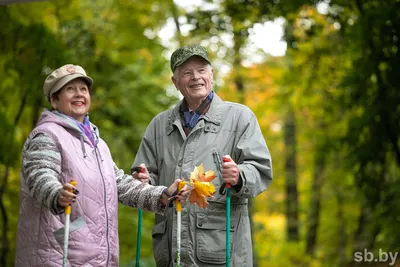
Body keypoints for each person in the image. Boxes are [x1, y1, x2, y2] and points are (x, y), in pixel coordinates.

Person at [14, 64, 190, 267]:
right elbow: (39, 174)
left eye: (83, 89)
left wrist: (163, 195)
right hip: (57, 257)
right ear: (54, 100)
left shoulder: (97, 143)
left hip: (98, 259)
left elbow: (120, 184)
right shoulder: (47, 135)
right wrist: (56, 194)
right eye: (70, 89)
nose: (79, 94)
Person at [132, 45, 273, 267]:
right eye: (186, 73)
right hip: (171, 252)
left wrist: (239, 175)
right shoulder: (159, 125)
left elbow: (260, 169)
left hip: (223, 251)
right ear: (175, 82)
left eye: (201, 70)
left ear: (211, 75)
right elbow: (146, 179)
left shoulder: (239, 117)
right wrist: (142, 180)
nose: (195, 77)